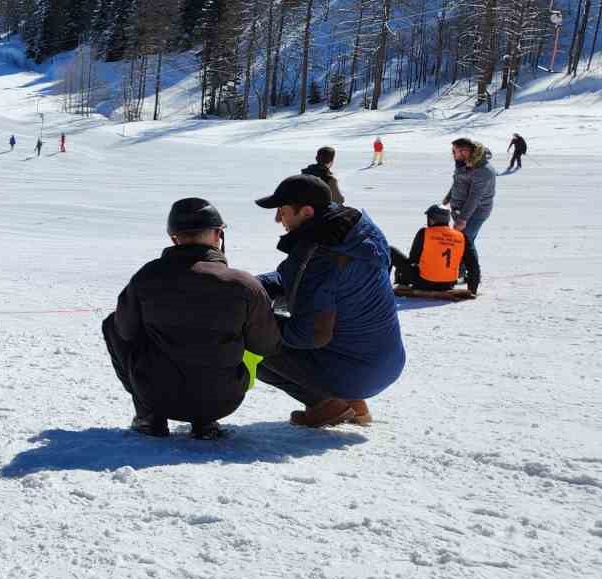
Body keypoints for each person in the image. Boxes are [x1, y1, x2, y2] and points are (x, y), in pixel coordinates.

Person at [104, 198, 281, 439]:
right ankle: (205, 422)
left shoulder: (147, 277)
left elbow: (124, 331)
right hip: (224, 400)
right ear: (218, 235)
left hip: (156, 395)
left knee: (113, 324)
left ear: (173, 238)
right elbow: (266, 345)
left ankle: (149, 416)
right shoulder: (245, 285)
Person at [252, 174, 406, 427]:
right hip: (385, 362)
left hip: (356, 372)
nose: (278, 219)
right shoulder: (353, 233)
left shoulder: (319, 256)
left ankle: (327, 405)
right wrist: (250, 285)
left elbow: (310, 335)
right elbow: (292, 279)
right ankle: (354, 404)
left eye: (282, 210)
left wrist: (251, 317)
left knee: (251, 337)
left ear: (307, 212)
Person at [445, 137, 495, 293]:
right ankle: (461, 271)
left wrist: (463, 219)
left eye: (458, 151)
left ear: (468, 151)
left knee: (465, 241)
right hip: (460, 209)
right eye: (454, 151)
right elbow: (457, 182)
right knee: (463, 240)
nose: (455, 154)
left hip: (476, 212)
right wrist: (448, 197)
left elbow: (475, 197)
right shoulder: (463, 163)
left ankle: (470, 274)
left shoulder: (483, 170)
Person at [389, 205, 469, 293]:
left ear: (432, 219)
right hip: (448, 284)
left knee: (390, 251)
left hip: (424, 282)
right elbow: (470, 263)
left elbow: (414, 259)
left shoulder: (424, 232)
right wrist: (473, 288)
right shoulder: (460, 236)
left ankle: (386, 284)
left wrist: (401, 274)